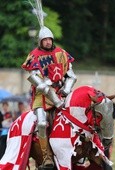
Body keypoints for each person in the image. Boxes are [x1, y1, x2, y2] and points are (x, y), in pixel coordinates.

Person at [22, 26, 77, 169]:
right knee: (41, 123)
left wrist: (66, 89)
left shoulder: (61, 53)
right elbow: (36, 81)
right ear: (40, 41)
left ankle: (76, 151)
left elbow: (71, 75)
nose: (47, 42)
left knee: (74, 119)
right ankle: (46, 157)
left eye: (49, 39)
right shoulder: (34, 55)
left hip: (60, 92)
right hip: (41, 96)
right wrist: (53, 97)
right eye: (45, 39)